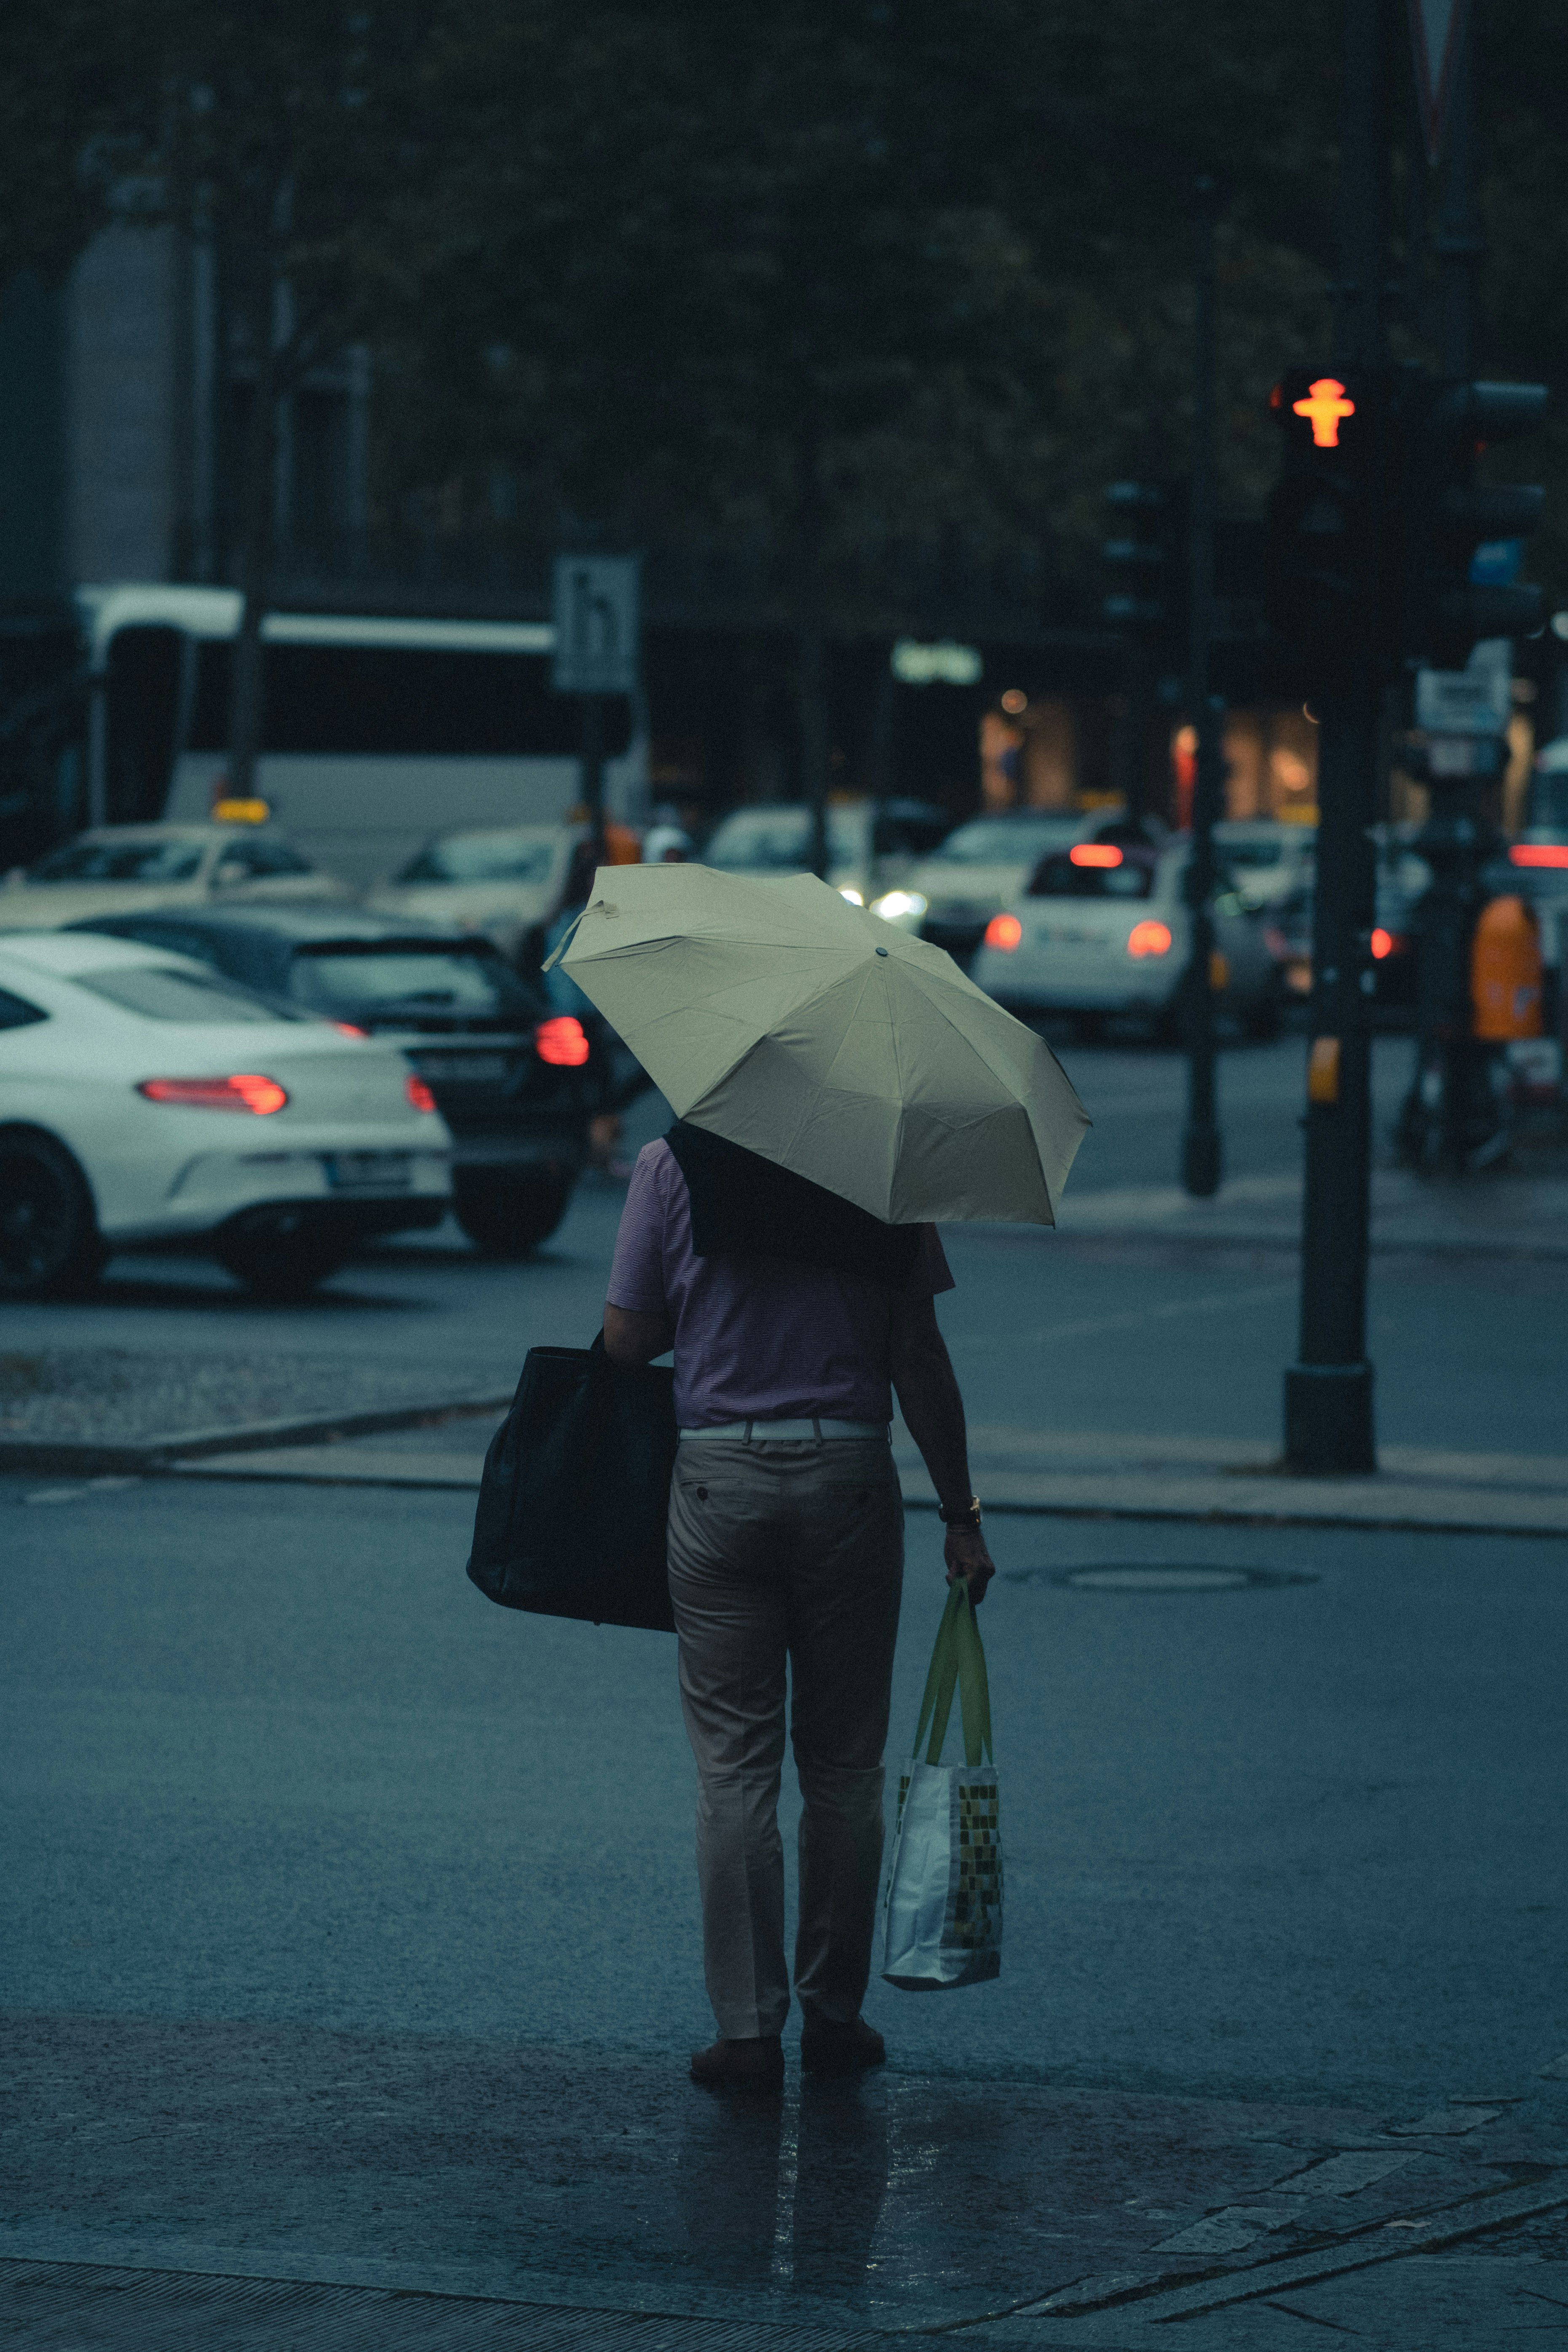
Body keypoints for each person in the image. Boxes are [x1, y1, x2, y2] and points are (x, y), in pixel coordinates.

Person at [602, 1119, 994, 2090]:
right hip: (849, 1474)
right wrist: (962, 1515)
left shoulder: (671, 1162)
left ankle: (744, 2030)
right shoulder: (884, 1167)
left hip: (719, 1476)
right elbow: (920, 1356)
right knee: (845, 1766)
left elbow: (626, 1339)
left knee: (734, 1765)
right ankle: (833, 2011)